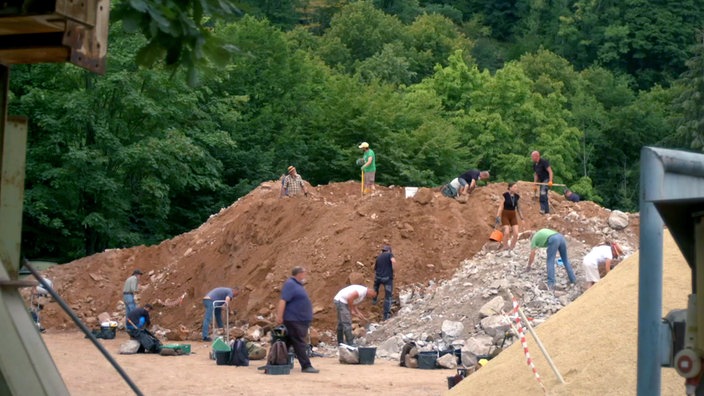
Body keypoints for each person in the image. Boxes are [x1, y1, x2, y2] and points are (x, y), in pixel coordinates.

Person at [276, 266, 319, 373]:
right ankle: (306, 366)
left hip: (299, 320)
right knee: (299, 342)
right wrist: (279, 316)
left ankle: (278, 362)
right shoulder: (290, 284)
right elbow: (283, 300)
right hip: (294, 319)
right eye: (304, 273)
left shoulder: (297, 285)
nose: (305, 275)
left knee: (288, 342)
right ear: (299, 274)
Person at [496, 182, 524, 251]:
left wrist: (522, 218)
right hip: (505, 214)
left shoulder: (517, 197)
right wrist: (498, 216)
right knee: (506, 232)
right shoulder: (505, 195)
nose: (516, 189)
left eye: (516, 187)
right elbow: (501, 206)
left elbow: (519, 208)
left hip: (513, 215)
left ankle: (512, 247)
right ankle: (505, 246)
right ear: (510, 188)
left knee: (516, 233)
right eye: (514, 187)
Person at [373, 245, 397, 320]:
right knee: (388, 297)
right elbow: (393, 261)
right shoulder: (389, 254)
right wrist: (394, 270)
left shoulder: (379, 257)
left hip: (378, 278)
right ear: (389, 251)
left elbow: (375, 268)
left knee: (375, 288)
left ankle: (374, 300)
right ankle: (386, 316)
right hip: (387, 279)